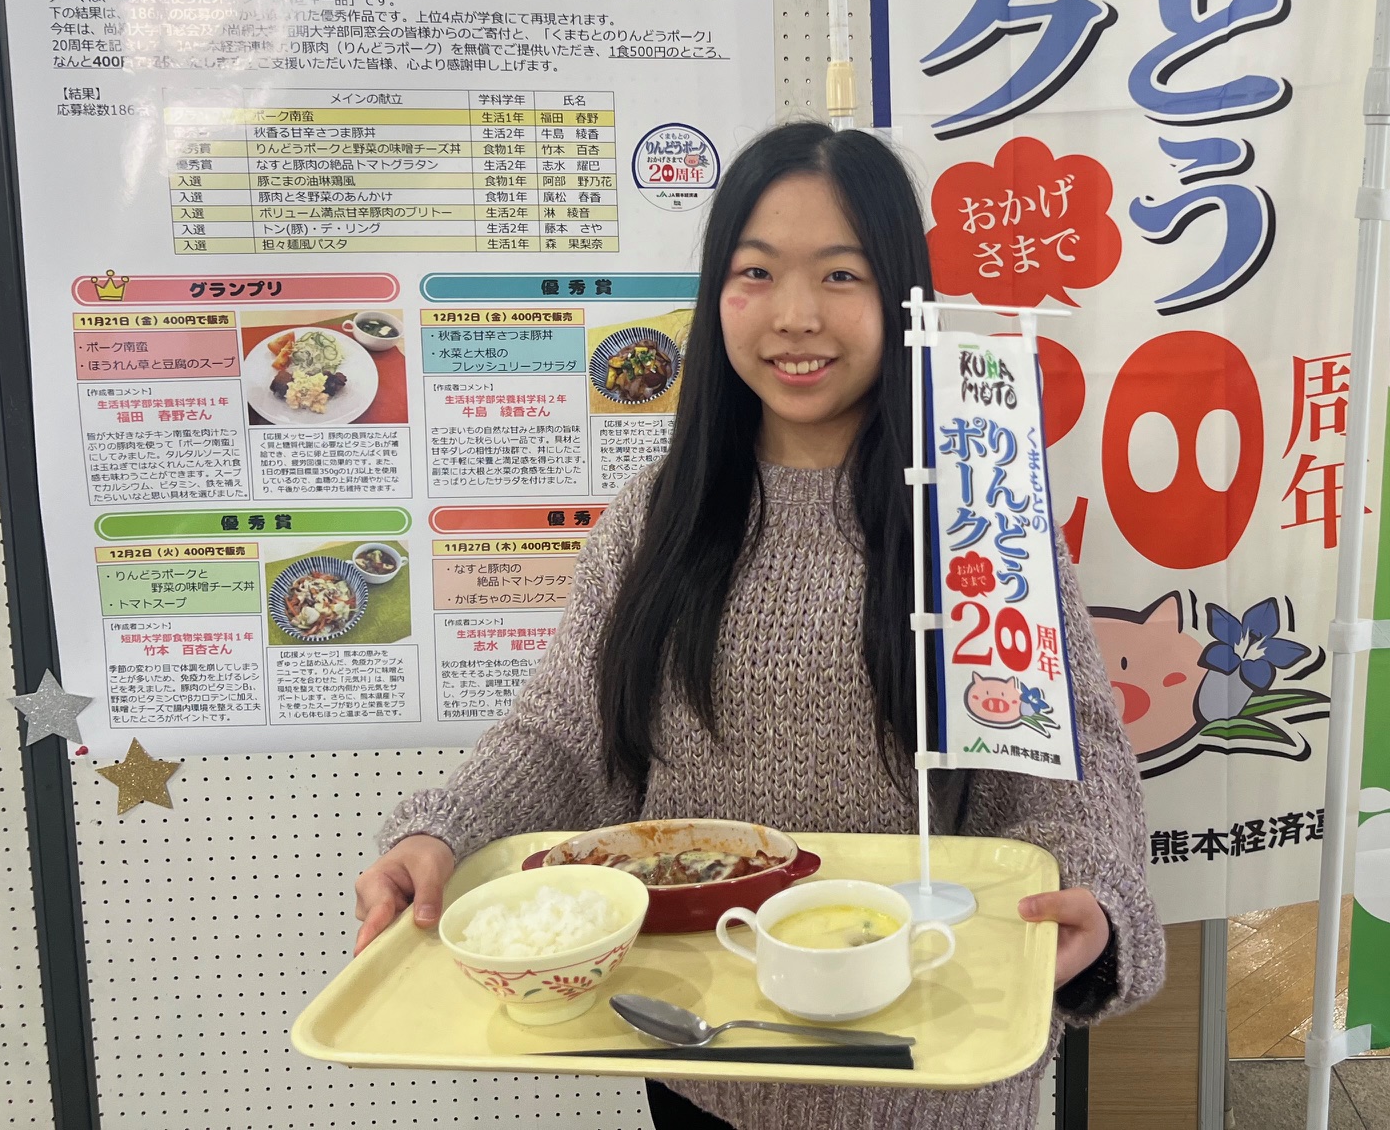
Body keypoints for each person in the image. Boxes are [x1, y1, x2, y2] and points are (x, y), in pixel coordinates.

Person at [355, 121, 1164, 1129]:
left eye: (841, 275)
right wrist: (444, 830)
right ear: (716, 295)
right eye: (756, 273)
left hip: (927, 1058)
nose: (795, 317)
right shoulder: (657, 516)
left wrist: (1092, 895)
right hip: (702, 1049)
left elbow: (1065, 768)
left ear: (901, 296)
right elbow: (565, 735)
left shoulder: (975, 513)